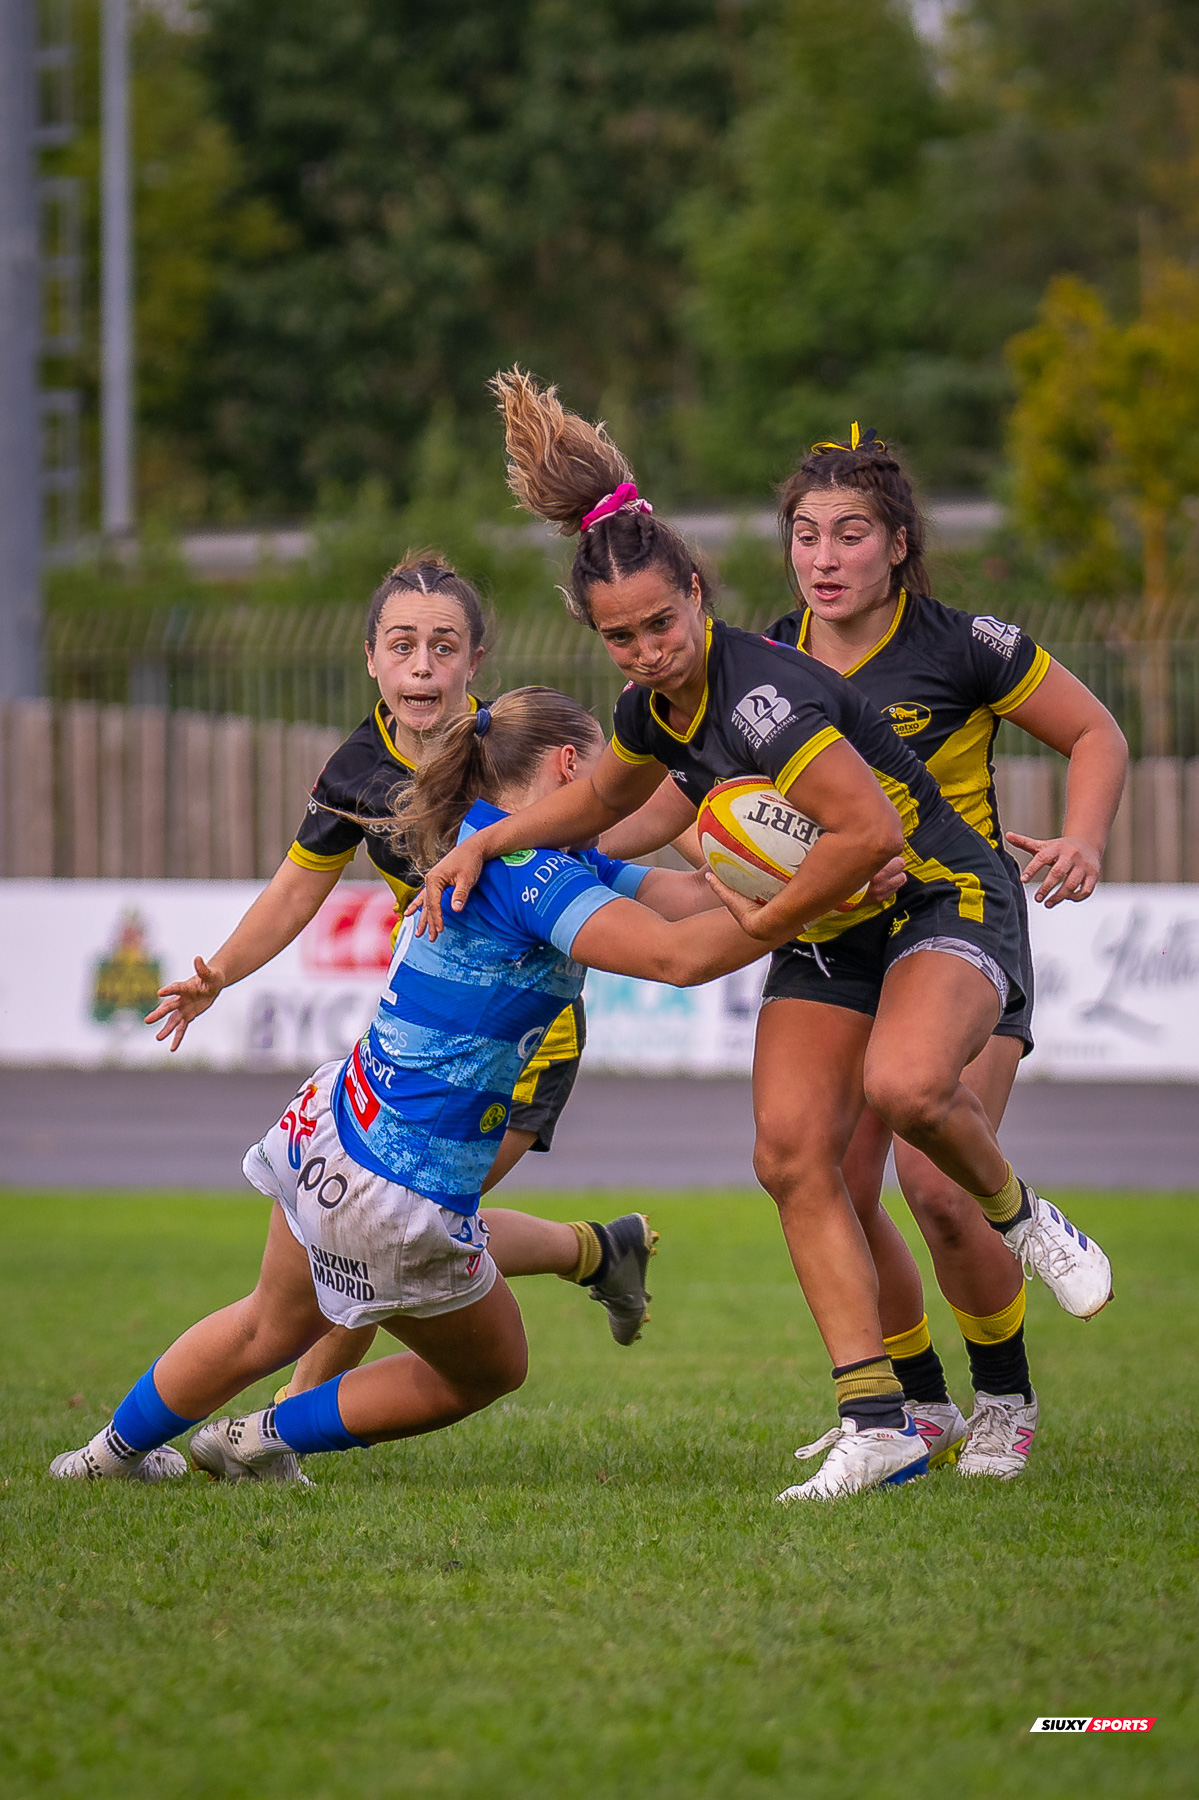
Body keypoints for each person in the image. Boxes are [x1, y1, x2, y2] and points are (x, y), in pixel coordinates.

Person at [414, 369, 1114, 1504]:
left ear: (697, 595)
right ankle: (879, 1416)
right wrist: (488, 844)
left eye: (658, 624)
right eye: (619, 637)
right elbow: (600, 801)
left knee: (903, 1095)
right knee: (793, 1158)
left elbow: (871, 831)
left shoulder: (765, 698)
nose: (643, 650)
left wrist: (760, 918)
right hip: (841, 919)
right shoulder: (657, 700)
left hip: (937, 897)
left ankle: (1022, 1227)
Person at [51, 688, 770, 1487]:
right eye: (602, 771)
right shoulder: (534, 879)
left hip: (334, 1125)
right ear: (570, 765)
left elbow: (683, 901)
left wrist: (785, 880)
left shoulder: (486, 838)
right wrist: (811, 899)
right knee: (487, 1371)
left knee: (267, 1324)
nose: (609, 790)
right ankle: (260, 1436)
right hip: (401, 1180)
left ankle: (102, 1458)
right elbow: (677, 959)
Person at [610, 425, 1128, 1479]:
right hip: (836, 931)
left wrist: (1081, 835)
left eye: (849, 534)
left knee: (938, 1186)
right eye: (805, 536)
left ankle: (1003, 1399)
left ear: (897, 543)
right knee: (829, 1181)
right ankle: (911, 1409)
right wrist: (559, 841)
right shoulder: (760, 659)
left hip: (953, 913)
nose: (824, 557)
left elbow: (1095, 734)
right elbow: (674, 792)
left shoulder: (962, 644)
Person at [145, 554, 646, 1390]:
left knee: (399, 1228)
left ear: (474, 663)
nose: (422, 665)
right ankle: (597, 1249)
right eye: (402, 644)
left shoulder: (515, 744)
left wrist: (724, 864)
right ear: (371, 656)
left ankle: (285, 1425)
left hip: (528, 1039)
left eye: (443, 646)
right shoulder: (354, 769)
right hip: (426, 1038)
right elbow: (297, 888)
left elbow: (606, 824)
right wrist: (220, 973)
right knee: (411, 1223)